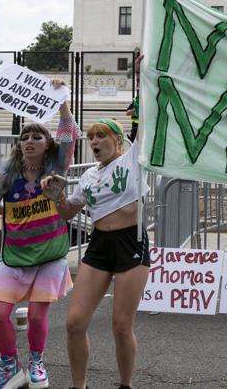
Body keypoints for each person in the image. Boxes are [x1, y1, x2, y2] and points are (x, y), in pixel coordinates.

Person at [0, 81, 79, 389]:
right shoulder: (7, 174)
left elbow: (69, 134)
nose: (29, 140)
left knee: (38, 317)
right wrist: (16, 218)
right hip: (15, 255)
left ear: (47, 144)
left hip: (50, 254)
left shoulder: (56, 164)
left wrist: (63, 101)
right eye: (24, 136)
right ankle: (10, 365)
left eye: (37, 136)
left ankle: (37, 360)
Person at [50, 118, 149, 389]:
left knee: (120, 325)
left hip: (131, 242)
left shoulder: (133, 160)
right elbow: (67, 212)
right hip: (100, 244)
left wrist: (144, 87)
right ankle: (78, 386)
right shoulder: (89, 176)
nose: (94, 142)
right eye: (91, 137)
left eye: (101, 136)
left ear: (117, 140)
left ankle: (125, 384)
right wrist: (56, 196)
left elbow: (148, 121)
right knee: (74, 322)